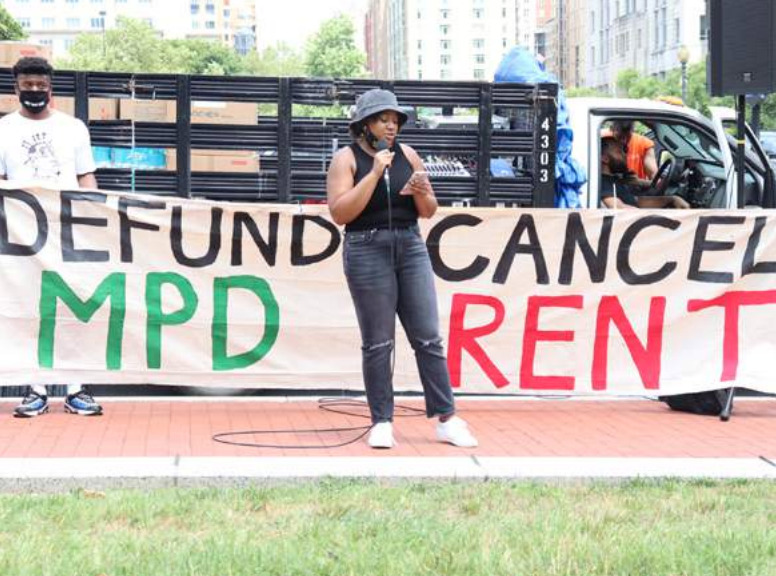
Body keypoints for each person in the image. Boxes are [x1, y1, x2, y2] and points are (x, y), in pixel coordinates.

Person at [326, 88, 477, 449]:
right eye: (383, 120)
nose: (391, 127)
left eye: (395, 120)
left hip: (410, 246)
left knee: (428, 337)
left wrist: (421, 190)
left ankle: (446, 418)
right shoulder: (346, 159)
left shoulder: (408, 154)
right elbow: (340, 213)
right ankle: (382, 421)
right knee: (378, 342)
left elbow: (429, 210)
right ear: (365, 125)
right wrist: (374, 173)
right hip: (366, 248)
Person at [0, 56, 103, 417]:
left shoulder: (73, 128)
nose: (34, 91)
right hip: (22, 235)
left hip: (68, 229)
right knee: (29, 309)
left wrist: (97, 217)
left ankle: (76, 388)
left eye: (40, 86)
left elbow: (86, 176)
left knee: (74, 306)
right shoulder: (3, 129)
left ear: (50, 88)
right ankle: (36, 389)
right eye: (27, 85)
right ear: (16, 87)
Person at [600, 136, 690, 209]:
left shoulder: (615, 180)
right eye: (619, 152)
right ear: (604, 158)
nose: (625, 155)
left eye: (624, 151)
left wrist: (671, 199)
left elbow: (636, 201)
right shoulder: (603, 182)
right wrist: (649, 216)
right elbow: (618, 207)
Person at [604, 120, 658, 186]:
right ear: (612, 130)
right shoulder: (602, 139)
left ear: (632, 131)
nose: (624, 141)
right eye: (620, 136)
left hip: (637, 189)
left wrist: (638, 182)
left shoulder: (644, 144)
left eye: (628, 136)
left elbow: (654, 175)